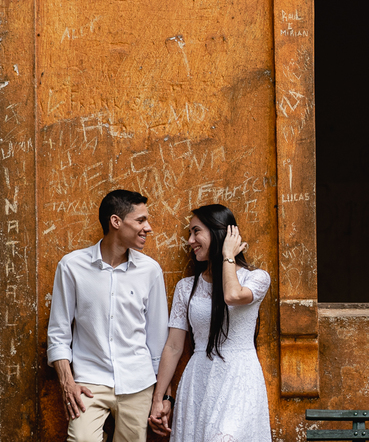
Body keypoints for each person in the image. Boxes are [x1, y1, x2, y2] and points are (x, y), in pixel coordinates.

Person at [48, 189, 170, 442]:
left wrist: (163, 396)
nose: (148, 228)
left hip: (138, 382)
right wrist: (67, 382)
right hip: (89, 381)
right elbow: (59, 333)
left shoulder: (150, 270)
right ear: (116, 222)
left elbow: (158, 341)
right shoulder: (72, 266)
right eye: (140, 220)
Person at [149, 204, 271, 441]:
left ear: (220, 234)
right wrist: (158, 399)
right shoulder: (186, 288)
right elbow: (174, 346)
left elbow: (232, 296)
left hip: (239, 379)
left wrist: (227, 255)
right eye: (189, 234)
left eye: (196, 232)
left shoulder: (256, 278)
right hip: (199, 380)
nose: (190, 240)